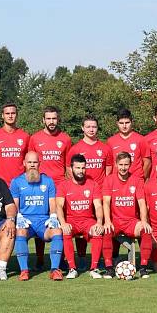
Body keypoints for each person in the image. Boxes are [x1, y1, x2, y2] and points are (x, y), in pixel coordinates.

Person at [66, 114, 113, 269]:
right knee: (80, 222)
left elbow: (108, 173)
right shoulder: (75, 149)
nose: (91, 129)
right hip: (82, 193)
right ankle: (81, 258)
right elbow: (69, 171)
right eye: (88, 127)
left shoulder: (105, 148)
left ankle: (103, 260)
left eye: (94, 126)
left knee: (98, 227)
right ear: (82, 128)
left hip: (99, 195)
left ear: (97, 128)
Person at [28, 106, 71, 270]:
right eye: (48, 118)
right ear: (43, 120)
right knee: (40, 221)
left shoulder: (65, 138)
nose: (51, 121)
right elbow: (31, 164)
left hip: (59, 187)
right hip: (40, 187)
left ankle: (60, 259)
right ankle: (40, 258)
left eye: (54, 118)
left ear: (58, 119)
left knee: (59, 223)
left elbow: (68, 167)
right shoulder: (35, 138)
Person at [10, 152, 64, 281]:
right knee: (21, 232)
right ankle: (24, 270)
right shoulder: (16, 182)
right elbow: (14, 204)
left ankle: (54, 270)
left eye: (35, 162)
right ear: (24, 163)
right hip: (25, 221)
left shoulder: (48, 181)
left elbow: (52, 202)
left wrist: (53, 216)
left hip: (43, 221)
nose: (32, 165)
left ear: (39, 164)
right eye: (29, 162)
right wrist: (18, 216)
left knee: (57, 231)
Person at [57, 154, 111, 279]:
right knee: (66, 231)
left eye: (83, 168)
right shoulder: (64, 185)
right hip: (71, 220)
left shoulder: (93, 185)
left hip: (88, 220)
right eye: (77, 168)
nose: (81, 171)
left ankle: (94, 268)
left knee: (97, 231)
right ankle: (72, 268)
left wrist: (99, 222)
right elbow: (59, 206)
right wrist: (63, 223)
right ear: (71, 169)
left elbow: (98, 206)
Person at [102, 152, 153, 279]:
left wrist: (144, 221)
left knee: (145, 231)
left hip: (131, 222)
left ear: (130, 165)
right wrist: (107, 221)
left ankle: (143, 268)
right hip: (115, 221)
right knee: (107, 231)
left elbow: (142, 203)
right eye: (121, 165)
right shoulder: (109, 180)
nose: (123, 168)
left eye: (126, 164)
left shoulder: (137, 180)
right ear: (116, 165)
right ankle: (109, 268)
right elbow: (106, 202)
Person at [0, 103, 30, 186]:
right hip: (0, 183)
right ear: (2, 115)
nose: (10, 116)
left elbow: (29, 161)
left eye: (13, 113)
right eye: (7, 113)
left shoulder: (25, 136)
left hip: (21, 183)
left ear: (17, 115)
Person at [107, 108, 149, 180]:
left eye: (127, 122)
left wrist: (141, 178)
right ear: (117, 123)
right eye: (121, 123)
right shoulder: (111, 141)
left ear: (132, 122)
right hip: (117, 182)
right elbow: (109, 164)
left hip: (136, 181)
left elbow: (147, 162)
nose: (124, 126)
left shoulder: (141, 139)